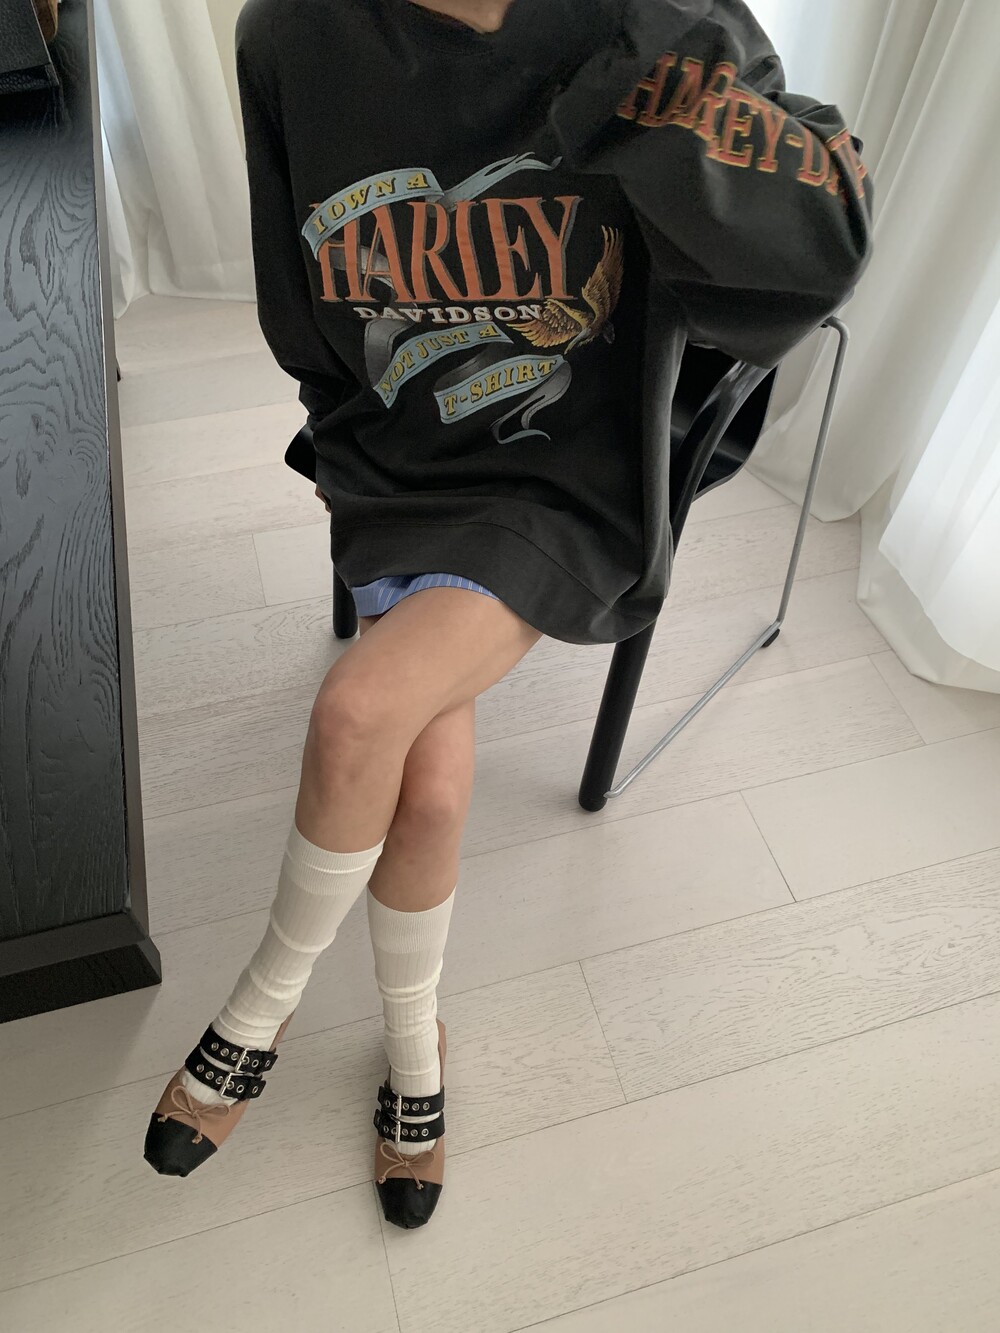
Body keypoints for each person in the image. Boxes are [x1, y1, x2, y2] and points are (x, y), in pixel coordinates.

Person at [143, 0, 874, 1230]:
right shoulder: (291, 35)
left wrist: (644, 70)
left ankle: (254, 1014)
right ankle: (414, 1054)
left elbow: (816, 249)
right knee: (426, 790)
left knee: (357, 711)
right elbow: (298, 297)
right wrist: (345, 446)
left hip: (564, 473)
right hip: (394, 451)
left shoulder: (652, 21)